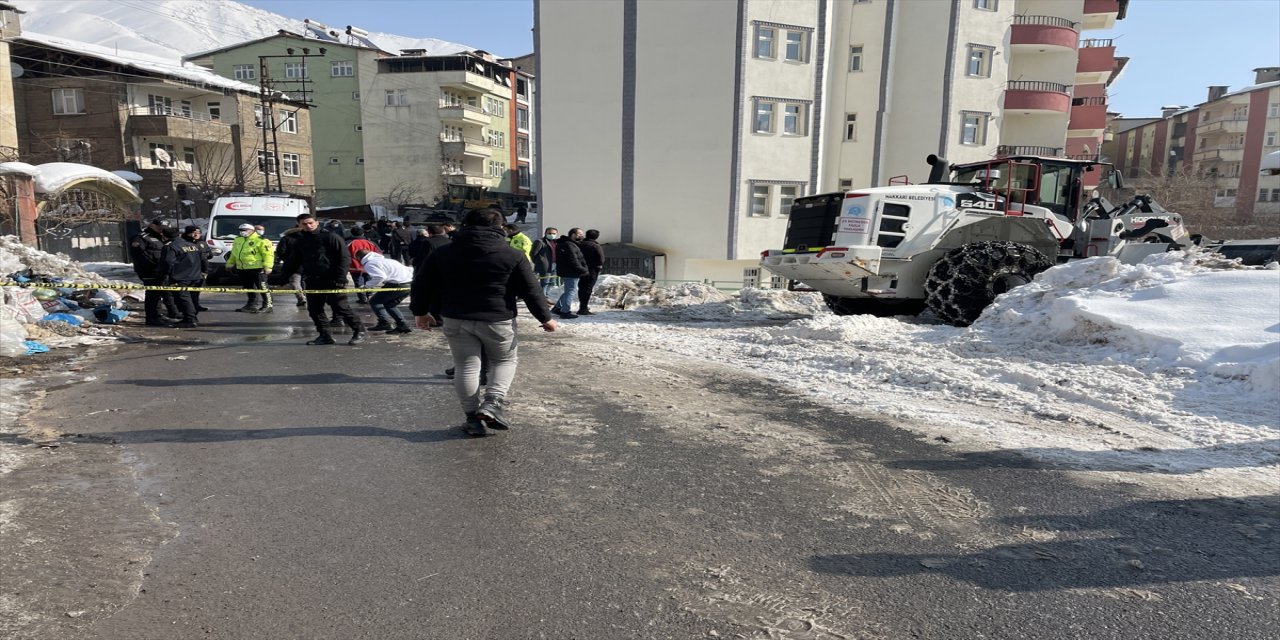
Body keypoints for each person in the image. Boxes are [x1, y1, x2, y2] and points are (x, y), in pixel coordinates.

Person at [411, 208, 557, 436]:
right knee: (504, 361)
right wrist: (545, 318)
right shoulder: (512, 254)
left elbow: (421, 283)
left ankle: (472, 419)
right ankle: (492, 403)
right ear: (500, 228)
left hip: (456, 317)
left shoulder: (444, 252)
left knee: (466, 366)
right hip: (498, 319)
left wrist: (420, 313)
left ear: (464, 225)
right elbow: (531, 289)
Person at [281, 212, 366, 346]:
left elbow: (344, 258)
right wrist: (283, 277)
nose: (308, 226)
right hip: (313, 279)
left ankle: (359, 331)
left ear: (316, 223)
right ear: (299, 225)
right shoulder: (300, 241)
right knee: (315, 310)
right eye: (304, 224)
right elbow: (294, 260)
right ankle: (325, 335)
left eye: (310, 223)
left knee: (340, 307)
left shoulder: (331, 237)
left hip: (333, 279)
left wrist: (341, 277)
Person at [129, 218, 180, 326]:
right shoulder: (141, 237)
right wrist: (155, 268)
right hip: (149, 271)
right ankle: (152, 318)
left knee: (163, 293)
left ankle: (160, 315)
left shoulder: (161, 238)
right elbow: (140, 255)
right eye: (160, 228)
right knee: (152, 294)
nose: (162, 230)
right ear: (152, 226)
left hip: (161, 271)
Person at [357, 249, 414, 333]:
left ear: (359, 257)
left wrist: (366, 286)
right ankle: (403, 326)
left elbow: (380, 277)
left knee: (374, 301)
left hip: (397, 284)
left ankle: (385, 323)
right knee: (390, 304)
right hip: (408, 283)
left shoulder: (370, 264)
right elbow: (408, 269)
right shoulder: (385, 260)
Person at [158, 226, 205, 328]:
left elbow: (167, 262)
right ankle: (192, 317)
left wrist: (165, 274)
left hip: (180, 277)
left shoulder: (170, 246)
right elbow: (203, 259)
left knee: (183, 299)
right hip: (196, 276)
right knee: (193, 298)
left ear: (165, 237)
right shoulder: (192, 245)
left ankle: (189, 319)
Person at [225, 223, 275, 313]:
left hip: (258, 268)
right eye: (240, 230)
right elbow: (234, 253)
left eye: (245, 230)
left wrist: (268, 266)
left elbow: (268, 254)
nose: (242, 232)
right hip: (242, 268)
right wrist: (229, 263)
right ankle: (251, 304)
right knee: (248, 287)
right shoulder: (238, 240)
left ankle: (268, 305)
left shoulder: (261, 240)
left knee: (262, 287)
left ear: (252, 230)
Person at [553, 227, 588, 320]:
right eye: (580, 234)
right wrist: (583, 270)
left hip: (567, 271)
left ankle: (557, 307)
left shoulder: (568, 244)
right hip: (571, 272)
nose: (582, 236)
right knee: (571, 291)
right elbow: (573, 261)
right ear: (573, 234)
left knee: (568, 291)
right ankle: (565, 312)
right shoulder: (569, 245)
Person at [347, 226, 381, 304]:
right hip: (369, 266)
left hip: (355, 267)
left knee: (358, 282)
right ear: (363, 233)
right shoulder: (370, 242)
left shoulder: (349, 243)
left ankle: (362, 298)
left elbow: (344, 255)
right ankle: (370, 295)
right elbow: (378, 253)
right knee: (369, 280)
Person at [277, 222, 309, 307]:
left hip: (292, 264)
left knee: (295, 282)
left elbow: (280, 252)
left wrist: (287, 259)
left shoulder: (286, 238)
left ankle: (301, 298)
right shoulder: (309, 237)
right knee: (304, 281)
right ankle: (305, 297)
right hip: (308, 263)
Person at [181, 226, 212, 313]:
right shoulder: (184, 243)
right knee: (185, 293)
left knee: (196, 291)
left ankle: (195, 305)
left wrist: (204, 271)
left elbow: (209, 255)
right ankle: (187, 309)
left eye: (198, 233)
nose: (196, 234)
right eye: (194, 232)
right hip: (186, 271)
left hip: (199, 271)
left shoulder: (202, 243)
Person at [577, 229, 605, 315]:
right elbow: (601, 259)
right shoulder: (595, 246)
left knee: (581, 287)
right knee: (588, 288)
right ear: (596, 237)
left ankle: (582, 306)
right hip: (592, 269)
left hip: (580, 268)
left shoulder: (580, 244)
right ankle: (583, 308)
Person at [530, 227, 558, 302]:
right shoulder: (540, 242)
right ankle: (542, 299)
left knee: (551, 282)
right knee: (544, 283)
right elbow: (533, 254)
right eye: (550, 233)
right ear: (545, 233)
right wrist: (540, 262)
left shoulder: (556, 242)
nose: (552, 235)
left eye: (554, 233)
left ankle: (546, 296)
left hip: (555, 265)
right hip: (546, 266)